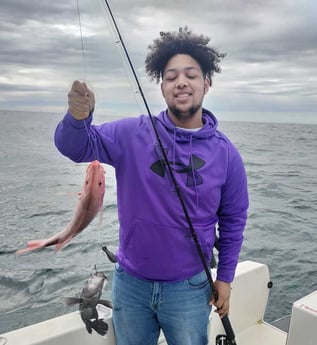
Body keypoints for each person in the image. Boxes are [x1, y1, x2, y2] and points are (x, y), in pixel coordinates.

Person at [55, 27, 249, 345]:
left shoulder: (226, 155)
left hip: (189, 289)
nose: (181, 82)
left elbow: (234, 221)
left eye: (191, 75)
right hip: (131, 285)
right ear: (161, 87)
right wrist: (78, 118)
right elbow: (75, 147)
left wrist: (225, 278)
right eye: (171, 76)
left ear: (207, 83)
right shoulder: (132, 134)